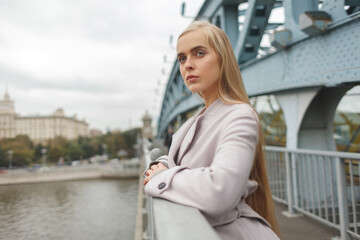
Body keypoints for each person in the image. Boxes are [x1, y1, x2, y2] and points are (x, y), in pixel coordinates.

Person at [143, 20, 280, 239]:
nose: (187, 65)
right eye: (182, 58)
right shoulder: (191, 122)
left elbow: (220, 192)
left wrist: (163, 176)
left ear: (223, 59)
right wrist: (163, 163)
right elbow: (183, 160)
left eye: (199, 53)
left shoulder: (239, 115)